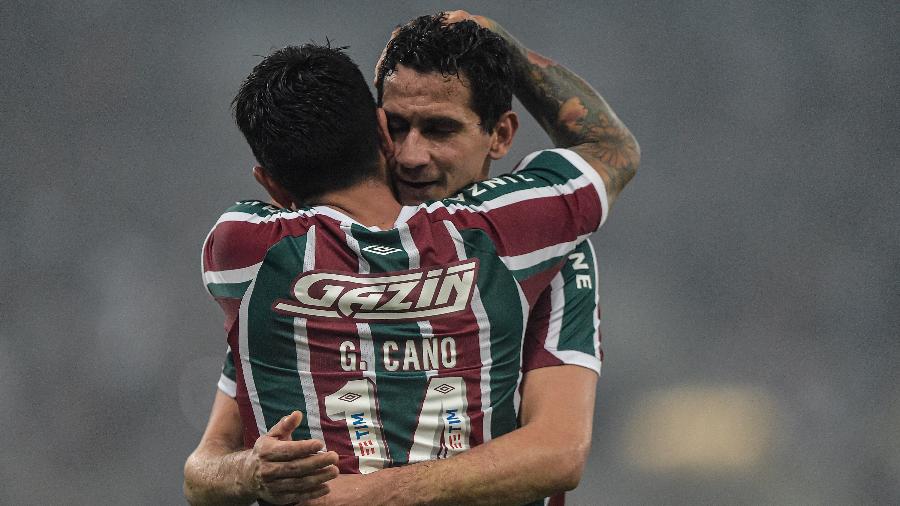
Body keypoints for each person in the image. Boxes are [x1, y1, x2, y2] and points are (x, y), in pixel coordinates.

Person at [185, 12, 638, 506]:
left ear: (501, 135)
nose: (411, 155)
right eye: (398, 127)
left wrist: (359, 497)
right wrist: (251, 470)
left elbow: (557, 452)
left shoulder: (548, 249)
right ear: (378, 129)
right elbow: (204, 469)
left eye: (440, 129)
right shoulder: (278, 280)